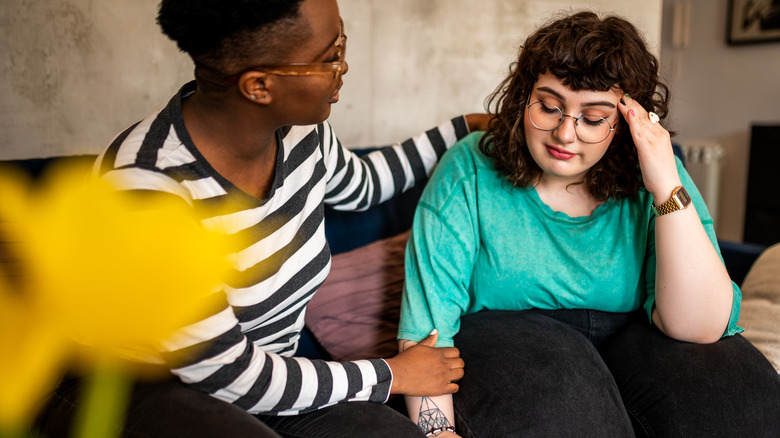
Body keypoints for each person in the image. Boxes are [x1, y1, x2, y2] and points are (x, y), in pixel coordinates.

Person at [34, 0, 488, 437]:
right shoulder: (149, 191)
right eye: (331, 56)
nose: (344, 67)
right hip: (136, 388)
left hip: (268, 376)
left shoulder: (301, 132)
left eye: (341, 44)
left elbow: (365, 184)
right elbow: (229, 374)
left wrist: (466, 126)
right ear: (258, 86)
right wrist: (391, 374)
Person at [398, 11, 780, 438]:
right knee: (571, 412)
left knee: (744, 400)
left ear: (624, 120)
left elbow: (700, 328)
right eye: (548, 106)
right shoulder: (470, 165)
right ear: (524, 96)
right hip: (510, 338)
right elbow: (427, 327)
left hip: (632, 336)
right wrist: (436, 432)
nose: (564, 134)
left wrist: (664, 184)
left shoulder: (655, 173)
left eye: (593, 118)